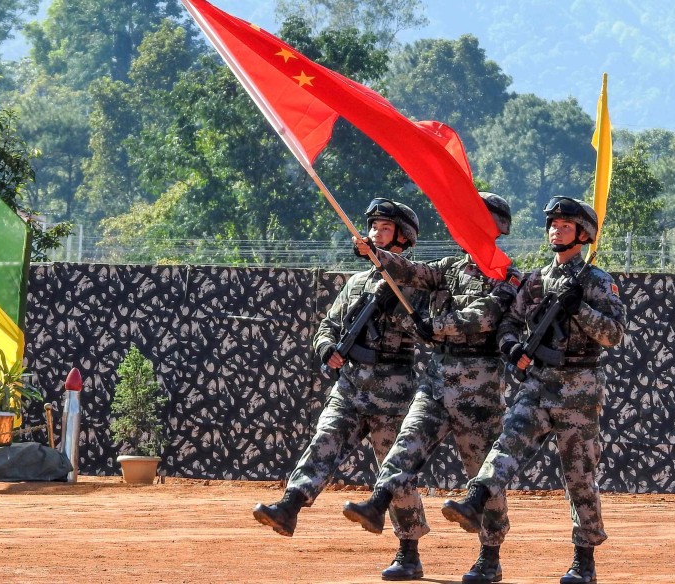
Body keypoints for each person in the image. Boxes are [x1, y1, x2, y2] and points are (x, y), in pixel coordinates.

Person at [440, 196, 626, 584]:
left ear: (583, 234)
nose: (554, 230)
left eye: (563, 225)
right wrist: (512, 347)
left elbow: (613, 335)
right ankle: (476, 502)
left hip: (578, 388)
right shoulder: (537, 280)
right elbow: (509, 321)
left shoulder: (596, 281)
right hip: (538, 383)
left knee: (578, 476)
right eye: (552, 224)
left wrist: (581, 309)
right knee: (506, 445)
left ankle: (584, 559)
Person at [341, 192, 521, 584]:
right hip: (437, 381)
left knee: (481, 476)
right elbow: (412, 272)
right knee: (404, 448)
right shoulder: (449, 268)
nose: (461, 228)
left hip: (480, 390)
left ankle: (489, 557)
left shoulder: (506, 274)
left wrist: (436, 326)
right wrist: (375, 253)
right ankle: (396, 535)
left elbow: (485, 316)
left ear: (494, 228)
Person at [252, 197, 431, 581]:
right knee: (324, 442)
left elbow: (425, 330)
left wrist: (395, 301)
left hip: (392, 393)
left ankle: (408, 551)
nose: (373, 234)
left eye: (384, 229)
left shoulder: (413, 286)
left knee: (394, 475)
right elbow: (328, 327)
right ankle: (290, 506)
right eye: (373, 227)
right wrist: (328, 350)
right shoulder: (356, 283)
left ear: (403, 238)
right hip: (350, 387)